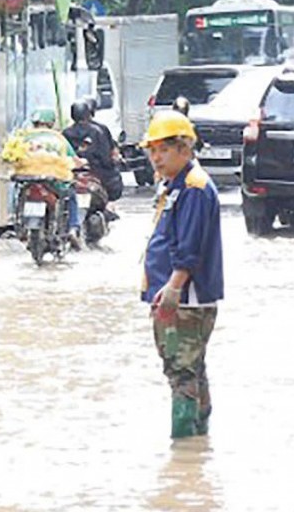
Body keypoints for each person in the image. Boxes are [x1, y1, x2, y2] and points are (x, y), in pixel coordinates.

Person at [140, 110, 224, 439]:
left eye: (164, 150)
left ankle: (184, 448)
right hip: (178, 296)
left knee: (181, 373)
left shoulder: (194, 188)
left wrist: (173, 290)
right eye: (152, 150)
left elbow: (189, 248)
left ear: (184, 149)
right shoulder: (176, 185)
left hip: (185, 300)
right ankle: (199, 449)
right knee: (193, 369)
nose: (156, 158)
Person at [23, 106, 83, 247]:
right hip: (53, 182)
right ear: (51, 123)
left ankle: (22, 227)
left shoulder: (24, 138)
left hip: (29, 179)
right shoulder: (58, 139)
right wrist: (82, 162)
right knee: (71, 194)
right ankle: (73, 228)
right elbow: (74, 160)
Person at [64, 99, 124, 202]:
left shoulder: (65, 133)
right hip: (97, 170)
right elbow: (105, 157)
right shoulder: (98, 131)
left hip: (72, 171)